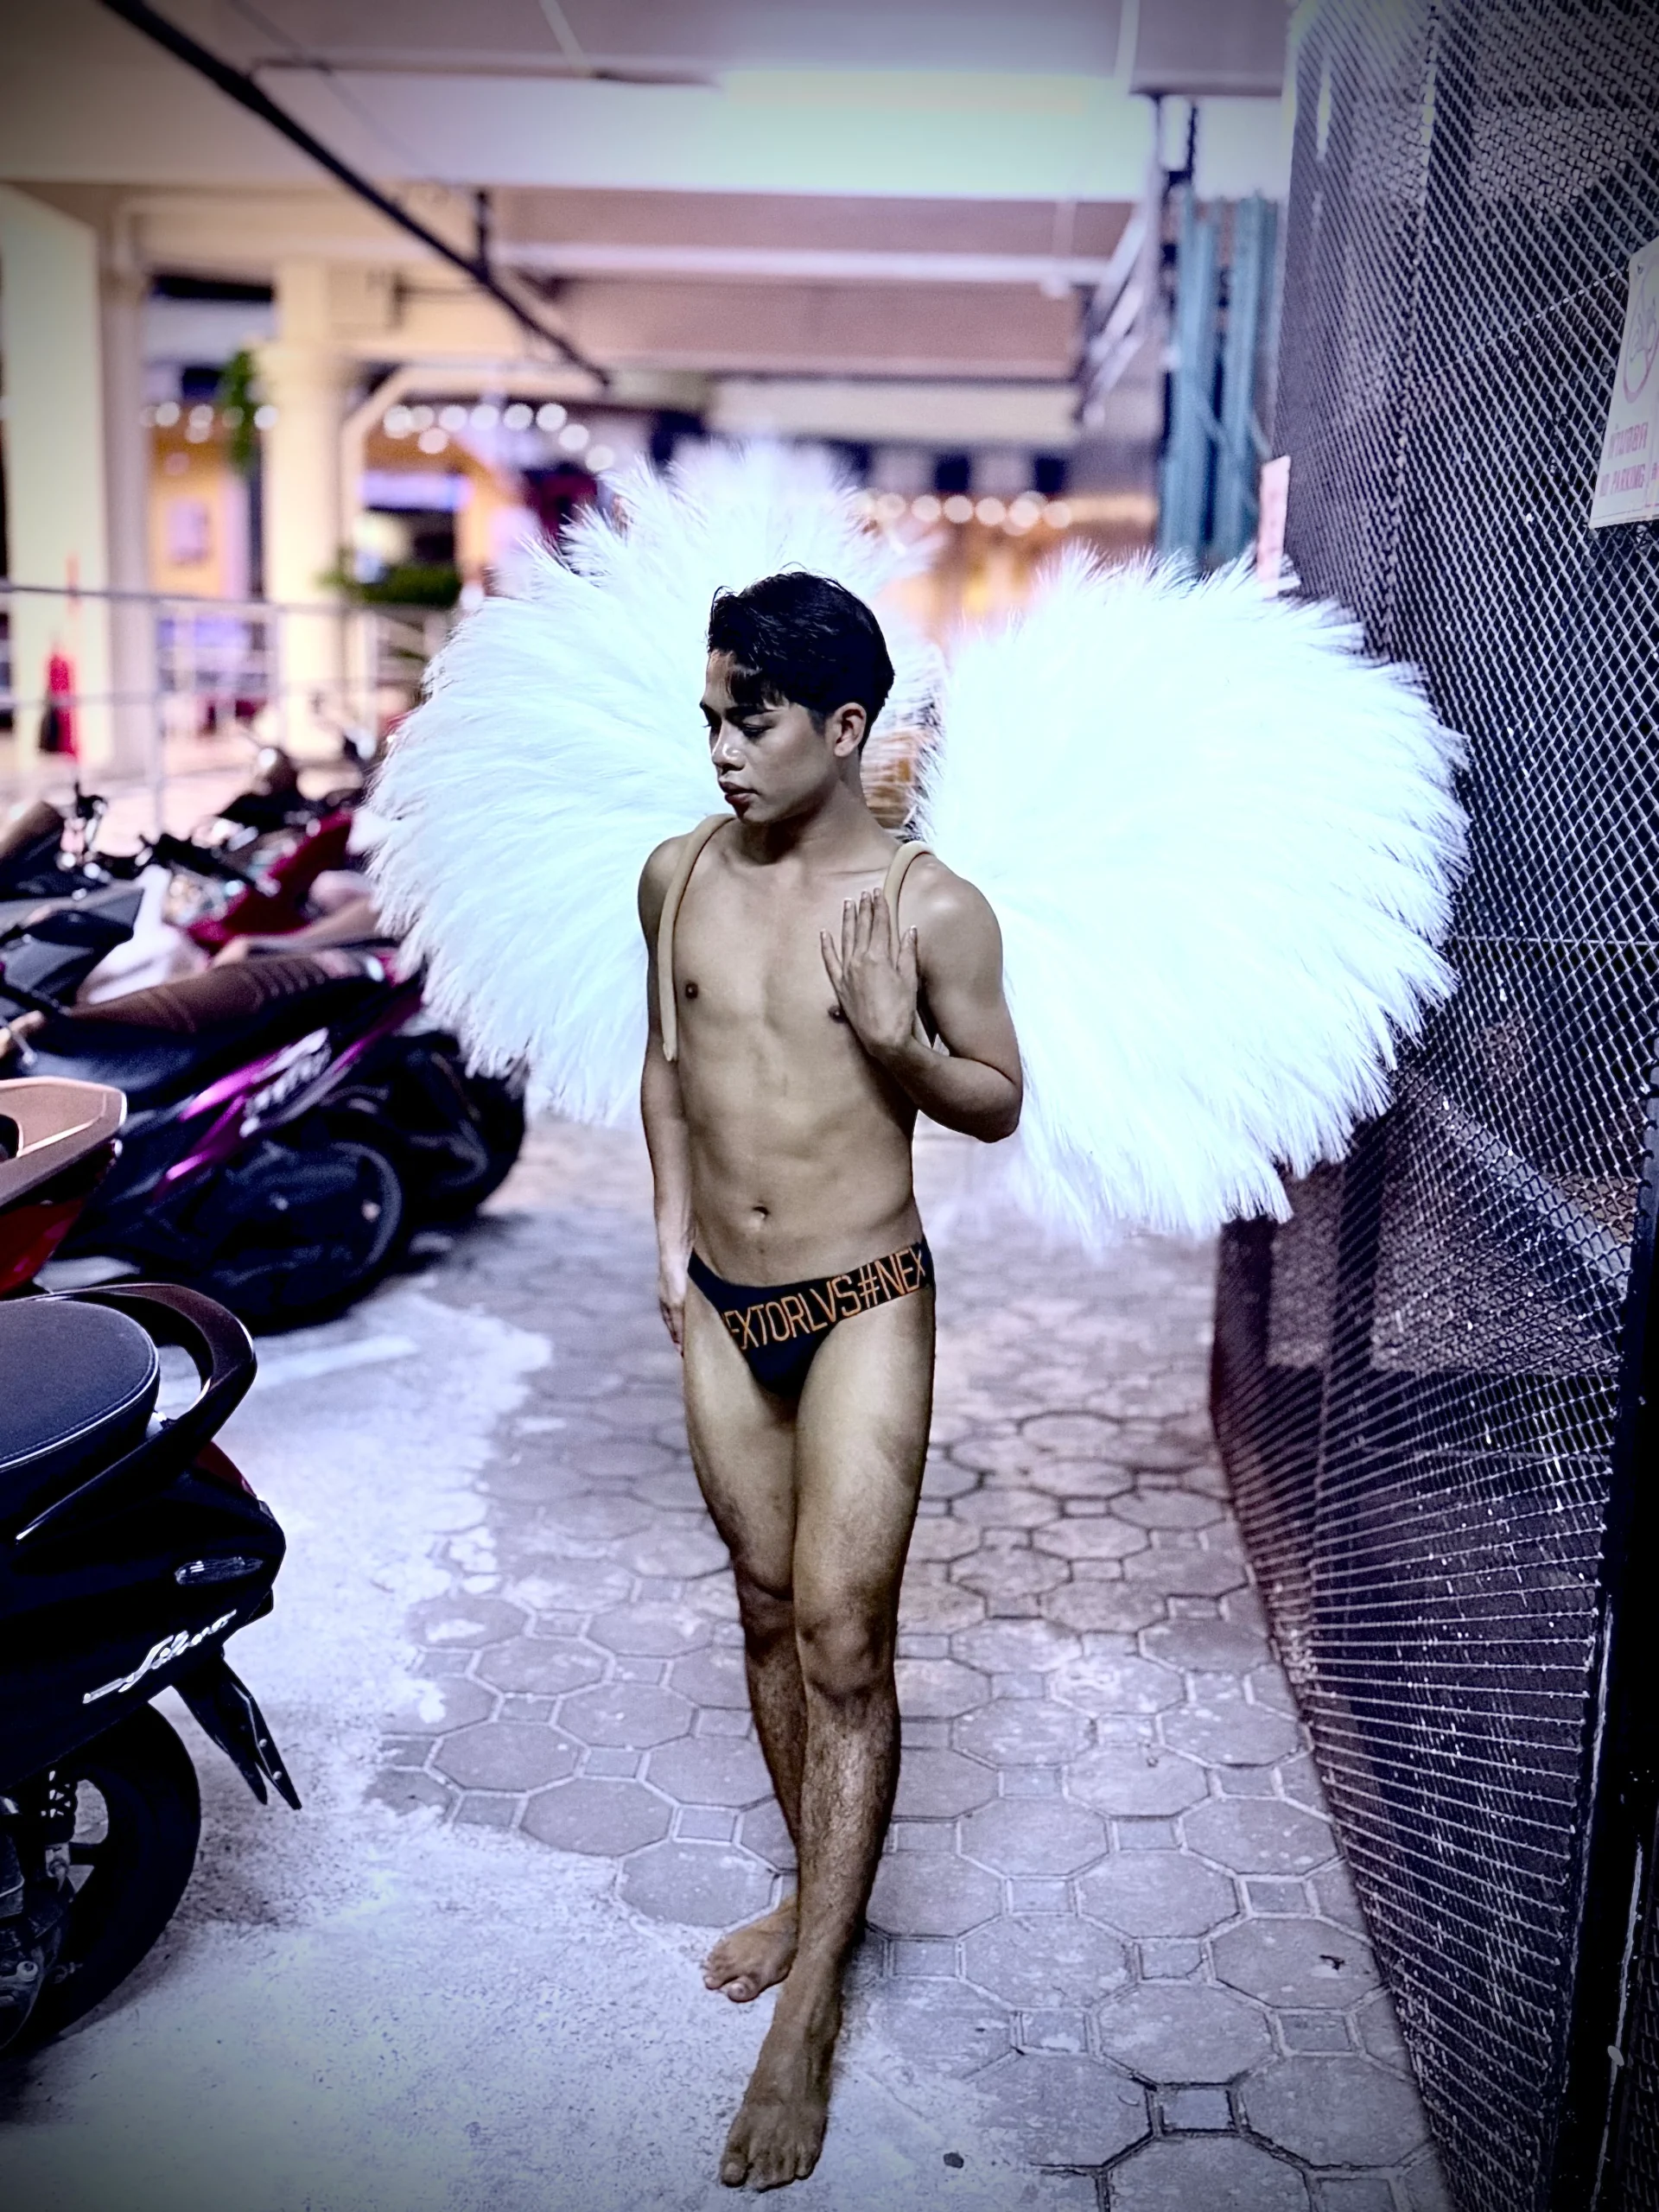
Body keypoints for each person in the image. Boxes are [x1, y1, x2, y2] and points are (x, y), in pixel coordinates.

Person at [637, 571, 1022, 2191]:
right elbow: (666, 1065)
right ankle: (816, 1893)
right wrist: (671, 1241)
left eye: (755, 721)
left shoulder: (931, 910)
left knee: (844, 1638)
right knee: (761, 1607)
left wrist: (897, 1040)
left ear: (846, 728)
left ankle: (810, 2013)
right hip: (724, 1308)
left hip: (867, 1300)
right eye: (711, 719)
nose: (723, 750)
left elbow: (998, 1097)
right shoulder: (674, 874)